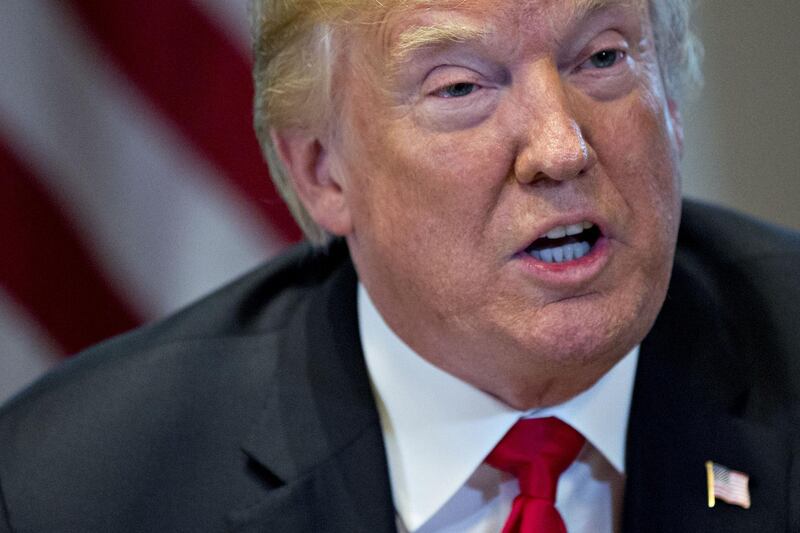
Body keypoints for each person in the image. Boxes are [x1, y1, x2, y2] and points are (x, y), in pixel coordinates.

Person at [1, 0, 798, 531]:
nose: (561, 147)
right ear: (322, 172)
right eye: (459, 87)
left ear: (671, 101)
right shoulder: (71, 491)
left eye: (603, 58)